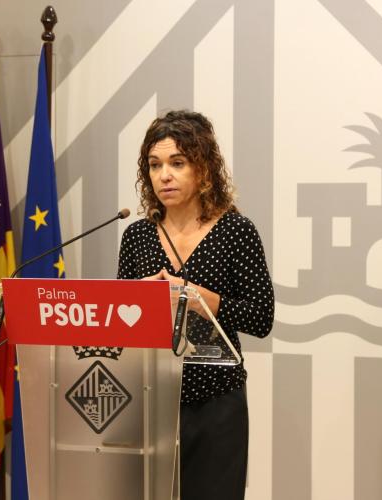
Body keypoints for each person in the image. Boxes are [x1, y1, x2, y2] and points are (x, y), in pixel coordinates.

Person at [117, 110, 275, 499]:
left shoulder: (235, 231)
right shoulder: (137, 236)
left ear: (203, 169)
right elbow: (121, 327)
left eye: (177, 163)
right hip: (150, 401)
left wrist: (196, 297)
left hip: (215, 402)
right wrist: (136, 299)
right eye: (154, 165)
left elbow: (261, 317)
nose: (164, 176)